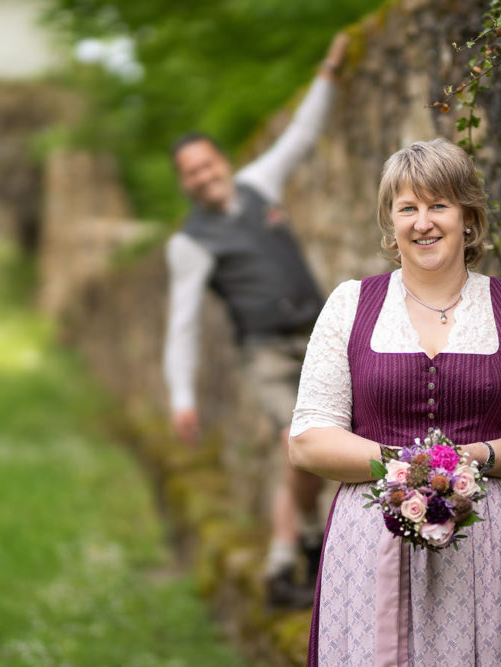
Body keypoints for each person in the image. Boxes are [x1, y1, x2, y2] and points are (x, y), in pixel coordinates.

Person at [289, 138, 501, 664]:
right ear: (391, 222)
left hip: (489, 546)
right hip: (371, 540)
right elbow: (310, 439)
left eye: (438, 205)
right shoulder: (351, 306)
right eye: (408, 208)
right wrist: (406, 468)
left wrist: (474, 459)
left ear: (468, 218)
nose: (422, 222)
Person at [163, 33, 349, 609]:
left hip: (318, 336)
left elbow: (299, 137)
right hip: (265, 351)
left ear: (222, 162)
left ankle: (303, 552)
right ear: (184, 183)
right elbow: (183, 325)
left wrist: (328, 73)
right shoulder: (189, 243)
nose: (203, 176)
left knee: (324, 444)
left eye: (207, 164)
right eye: (190, 173)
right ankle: (289, 558)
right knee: (297, 443)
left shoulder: (259, 184)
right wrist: (181, 398)